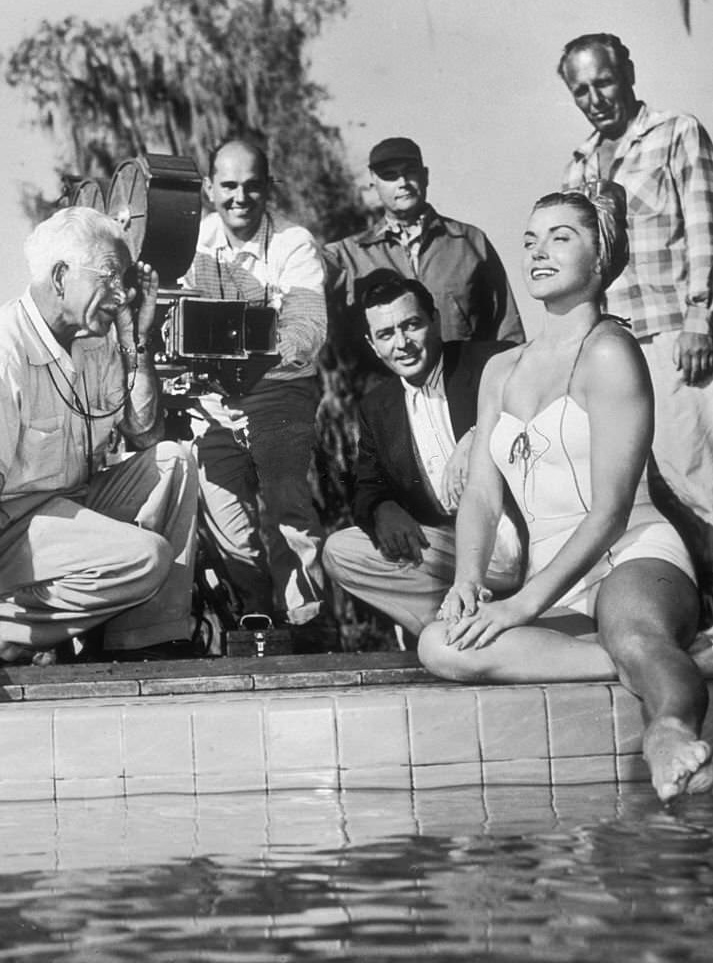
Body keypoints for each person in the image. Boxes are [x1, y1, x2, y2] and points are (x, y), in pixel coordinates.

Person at [418, 185, 713, 804]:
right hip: (554, 575)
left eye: (561, 237)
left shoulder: (611, 352)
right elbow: (479, 494)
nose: (538, 251)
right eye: (530, 239)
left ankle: (669, 727)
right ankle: (687, 659)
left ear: (601, 258)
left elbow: (609, 512)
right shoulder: (501, 369)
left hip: (630, 552)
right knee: (441, 646)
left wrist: (521, 606)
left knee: (632, 633)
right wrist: (467, 581)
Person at [0, 206, 200, 704]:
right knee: (147, 557)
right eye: (111, 277)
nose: (122, 293)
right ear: (61, 276)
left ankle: (147, 641)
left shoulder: (94, 343)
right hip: (6, 532)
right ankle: (5, 627)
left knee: (176, 460)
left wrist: (138, 340)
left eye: (126, 279)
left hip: (70, 507)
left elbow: (145, 432)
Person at [558, 33, 713, 613]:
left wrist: (701, 315)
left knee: (700, 483)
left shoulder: (676, 132)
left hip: (676, 341)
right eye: (581, 90)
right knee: (652, 496)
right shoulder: (578, 164)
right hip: (614, 352)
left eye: (603, 82)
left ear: (627, 72)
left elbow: (704, 228)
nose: (595, 98)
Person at [180, 139, 332, 651]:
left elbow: (307, 330)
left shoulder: (294, 243)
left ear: (268, 187)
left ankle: (308, 620)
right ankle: (258, 619)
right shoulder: (192, 245)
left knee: (285, 499)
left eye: (251, 185)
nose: (240, 197)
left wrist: (237, 349)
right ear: (208, 189)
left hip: (281, 389)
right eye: (228, 186)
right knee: (224, 510)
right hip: (214, 398)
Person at [322, 271, 521, 639]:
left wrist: (478, 436)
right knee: (339, 551)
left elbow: (538, 393)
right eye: (386, 334)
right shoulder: (377, 406)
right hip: (448, 551)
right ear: (373, 344)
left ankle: (450, 630)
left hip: (511, 541)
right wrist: (383, 508)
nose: (402, 343)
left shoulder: (487, 362)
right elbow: (366, 481)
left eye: (411, 325)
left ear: (435, 320)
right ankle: (444, 625)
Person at [323, 136, 524, 394]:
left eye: (410, 172)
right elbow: (305, 268)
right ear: (373, 181)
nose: (403, 183)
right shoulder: (349, 255)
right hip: (390, 402)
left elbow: (508, 332)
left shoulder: (469, 242)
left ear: (425, 175)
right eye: (390, 175)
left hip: (468, 391)